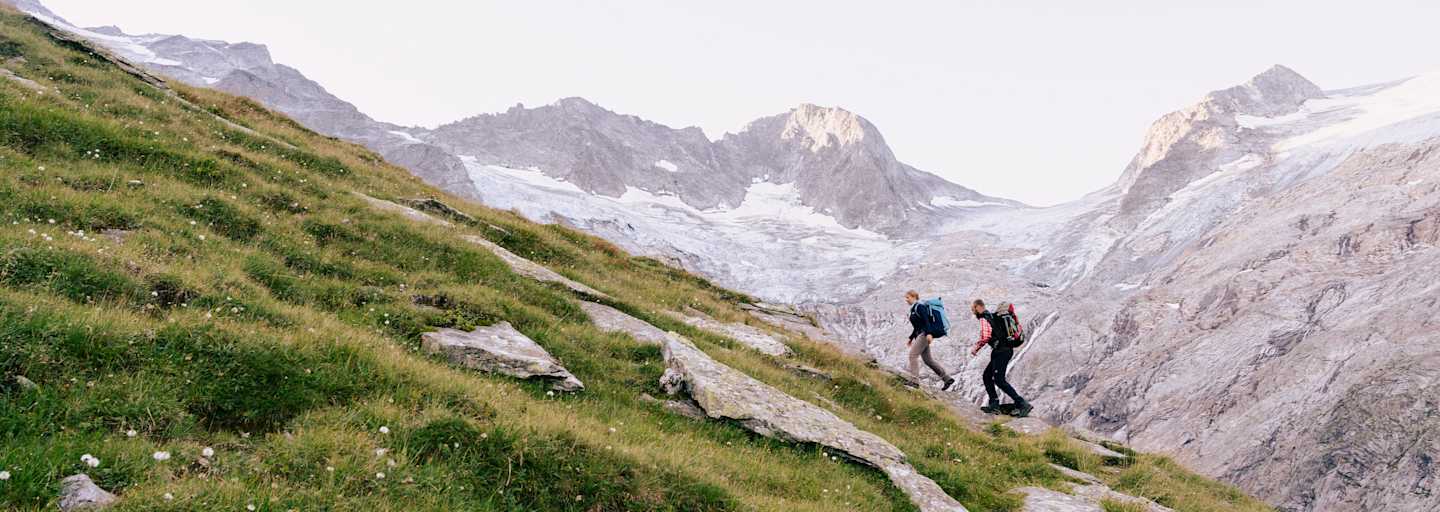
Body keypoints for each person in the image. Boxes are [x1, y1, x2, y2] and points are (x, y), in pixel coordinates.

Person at [969, 299, 1031, 416]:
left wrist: (976, 348)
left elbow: (986, 336)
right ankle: (994, 404)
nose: (973, 312)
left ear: (978, 307)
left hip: (1002, 351)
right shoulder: (992, 316)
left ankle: (1022, 403)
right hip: (1002, 351)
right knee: (987, 376)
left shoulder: (984, 317)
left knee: (999, 380)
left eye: (973, 309)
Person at [905, 290, 957, 391]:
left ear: (914, 297)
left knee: (913, 355)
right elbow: (917, 326)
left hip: (924, 334)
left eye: (907, 297)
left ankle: (914, 381)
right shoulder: (913, 309)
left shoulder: (919, 307)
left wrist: (929, 334)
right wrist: (911, 338)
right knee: (928, 360)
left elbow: (926, 321)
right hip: (921, 334)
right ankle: (947, 379)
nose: (906, 300)